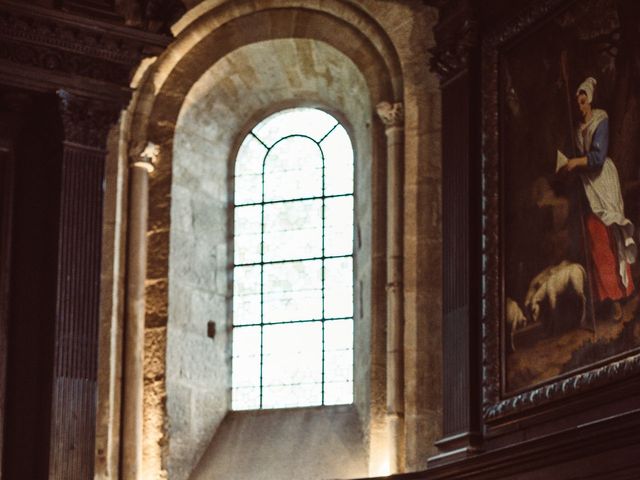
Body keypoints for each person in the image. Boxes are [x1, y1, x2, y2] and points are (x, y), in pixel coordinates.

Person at [560, 77, 636, 317]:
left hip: (603, 183)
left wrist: (575, 162)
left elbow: (597, 158)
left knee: (612, 239)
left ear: (589, 100)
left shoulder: (601, 119)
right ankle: (607, 297)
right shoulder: (576, 129)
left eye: (583, 102)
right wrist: (567, 167)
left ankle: (621, 295)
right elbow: (581, 162)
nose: (580, 107)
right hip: (588, 187)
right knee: (596, 242)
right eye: (577, 104)